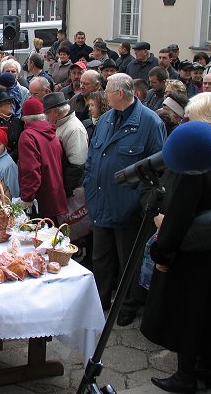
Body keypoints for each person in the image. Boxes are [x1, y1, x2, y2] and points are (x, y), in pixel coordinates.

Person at [141, 93, 211, 394]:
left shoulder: (195, 155)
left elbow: (178, 211)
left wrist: (162, 251)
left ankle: (186, 375)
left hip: (193, 252)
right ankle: (206, 368)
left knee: (189, 313)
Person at [84, 73, 166, 325]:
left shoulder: (150, 123)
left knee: (128, 257)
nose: (103, 95)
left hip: (128, 206)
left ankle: (129, 305)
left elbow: (159, 168)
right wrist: (89, 187)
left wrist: (144, 204)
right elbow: (92, 158)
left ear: (120, 94)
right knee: (101, 256)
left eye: (107, 91)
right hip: (100, 200)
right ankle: (101, 298)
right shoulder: (107, 119)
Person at [18, 97, 68, 223]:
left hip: (40, 198)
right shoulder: (51, 132)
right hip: (55, 194)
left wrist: (28, 197)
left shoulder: (28, 135)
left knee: (38, 238)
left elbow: (31, 170)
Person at [43, 91, 88, 196]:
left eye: (47, 113)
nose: (45, 116)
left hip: (67, 190)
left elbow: (77, 165)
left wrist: (62, 190)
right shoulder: (59, 123)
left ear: (56, 112)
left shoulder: (74, 129)